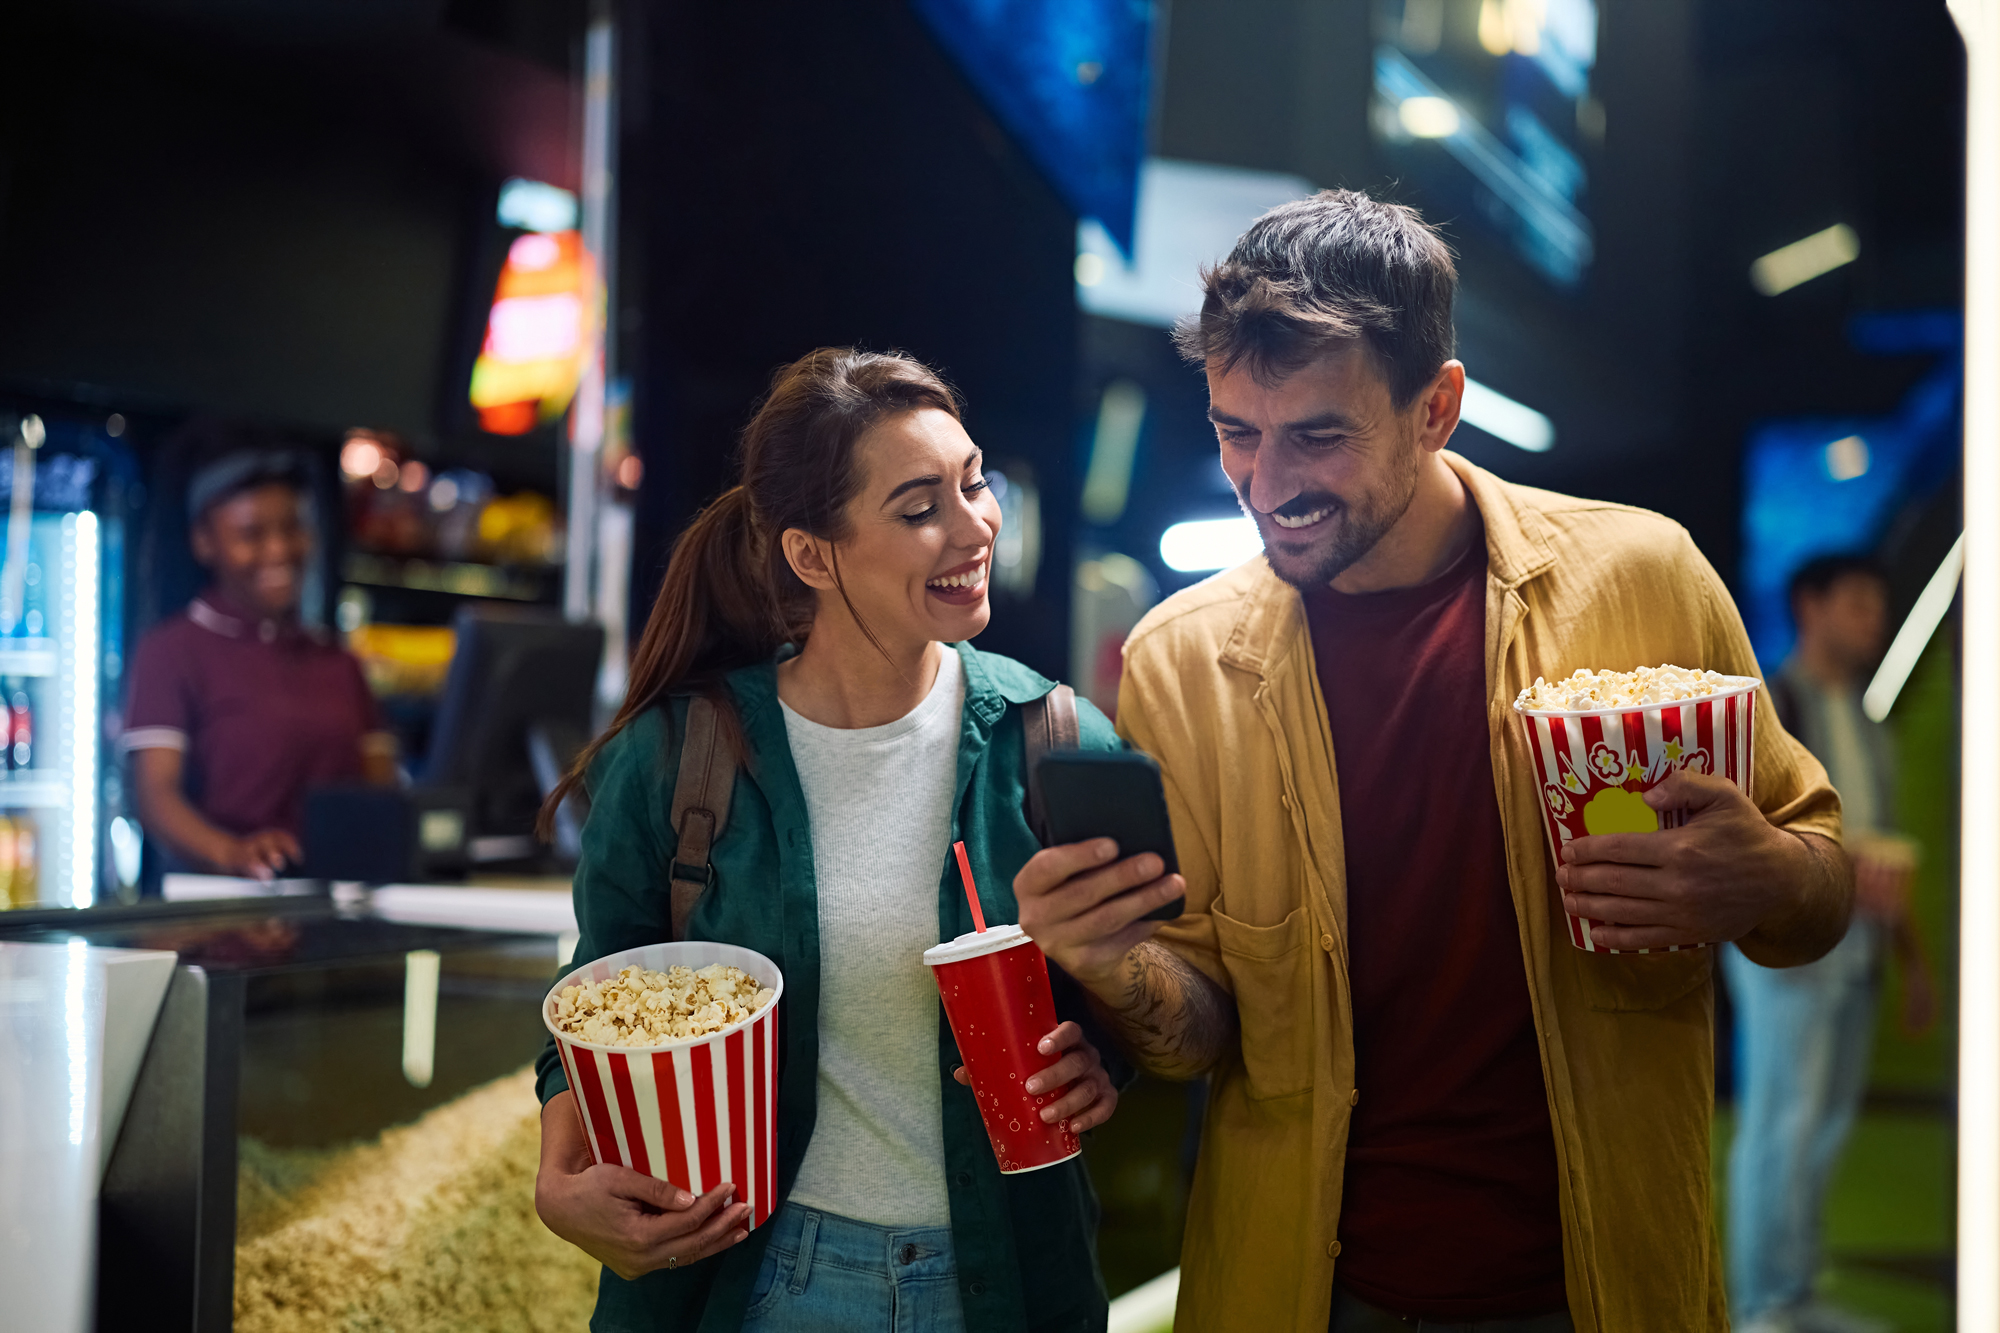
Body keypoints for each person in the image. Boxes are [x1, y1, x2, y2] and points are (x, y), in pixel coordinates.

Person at [1012, 189, 1851, 1333]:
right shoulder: (1181, 660)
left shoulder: (1644, 580)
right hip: (1309, 1292)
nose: (1264, 484)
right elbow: (1199, 1029)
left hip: (1606, 1283)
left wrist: (1768, 875)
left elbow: (1817, 885)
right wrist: (1109, 963)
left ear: (1435, 407)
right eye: (1233, 430)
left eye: (1317, 434)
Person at [531, 348, 1125, 1333]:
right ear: (811, 554)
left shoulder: (1053, 740)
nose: (974, 524)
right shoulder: (679, 759)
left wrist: (1099, 1054)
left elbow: (1146, 983)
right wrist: (560, 1176)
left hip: (1005, 1274)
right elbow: (600, 993)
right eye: (918, 506)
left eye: (974, 483)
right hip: (752, 1280)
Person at [1724, 554, 1934, 1333]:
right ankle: (1761, 1303)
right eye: (1856, 603)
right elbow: (1746, 836)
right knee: (1781, 1117)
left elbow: (1882, 846)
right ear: (1809, 605)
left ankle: (1797, 1284)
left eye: (1877, 605)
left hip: (1858, 951)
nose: (1872, 619)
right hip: (1784, 945)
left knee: (1829, 1120)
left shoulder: (1870, 720)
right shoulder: (1769, 708)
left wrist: (1914, 962)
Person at [123, 449, 396, 881]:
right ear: (204, 541)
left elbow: (383, 792)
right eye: (252, 535)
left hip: (338, 907)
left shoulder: (339, 663)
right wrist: (234, 853)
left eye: (292, 529)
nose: (279, 550)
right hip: (218, 909)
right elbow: (155, 797)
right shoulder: (171, 651)